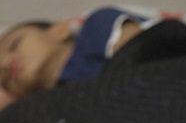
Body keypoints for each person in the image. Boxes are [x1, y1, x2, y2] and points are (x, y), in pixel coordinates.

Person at [0, 7, 147, 104]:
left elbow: (144, 50)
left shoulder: (96, 29)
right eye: (2, 77)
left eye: (14, 45)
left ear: (60, 30)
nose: (5, 63)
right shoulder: (48, 108)